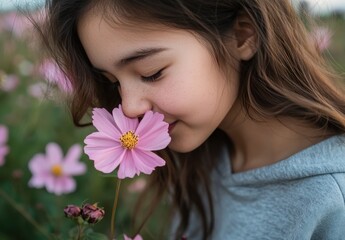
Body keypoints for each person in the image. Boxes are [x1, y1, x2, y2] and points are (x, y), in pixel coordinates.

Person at [36, 0, 345, 239]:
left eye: (151, 73)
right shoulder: (204, 159)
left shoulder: (332, 198)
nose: (128, 108)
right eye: (113, 82)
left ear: (243, 35)